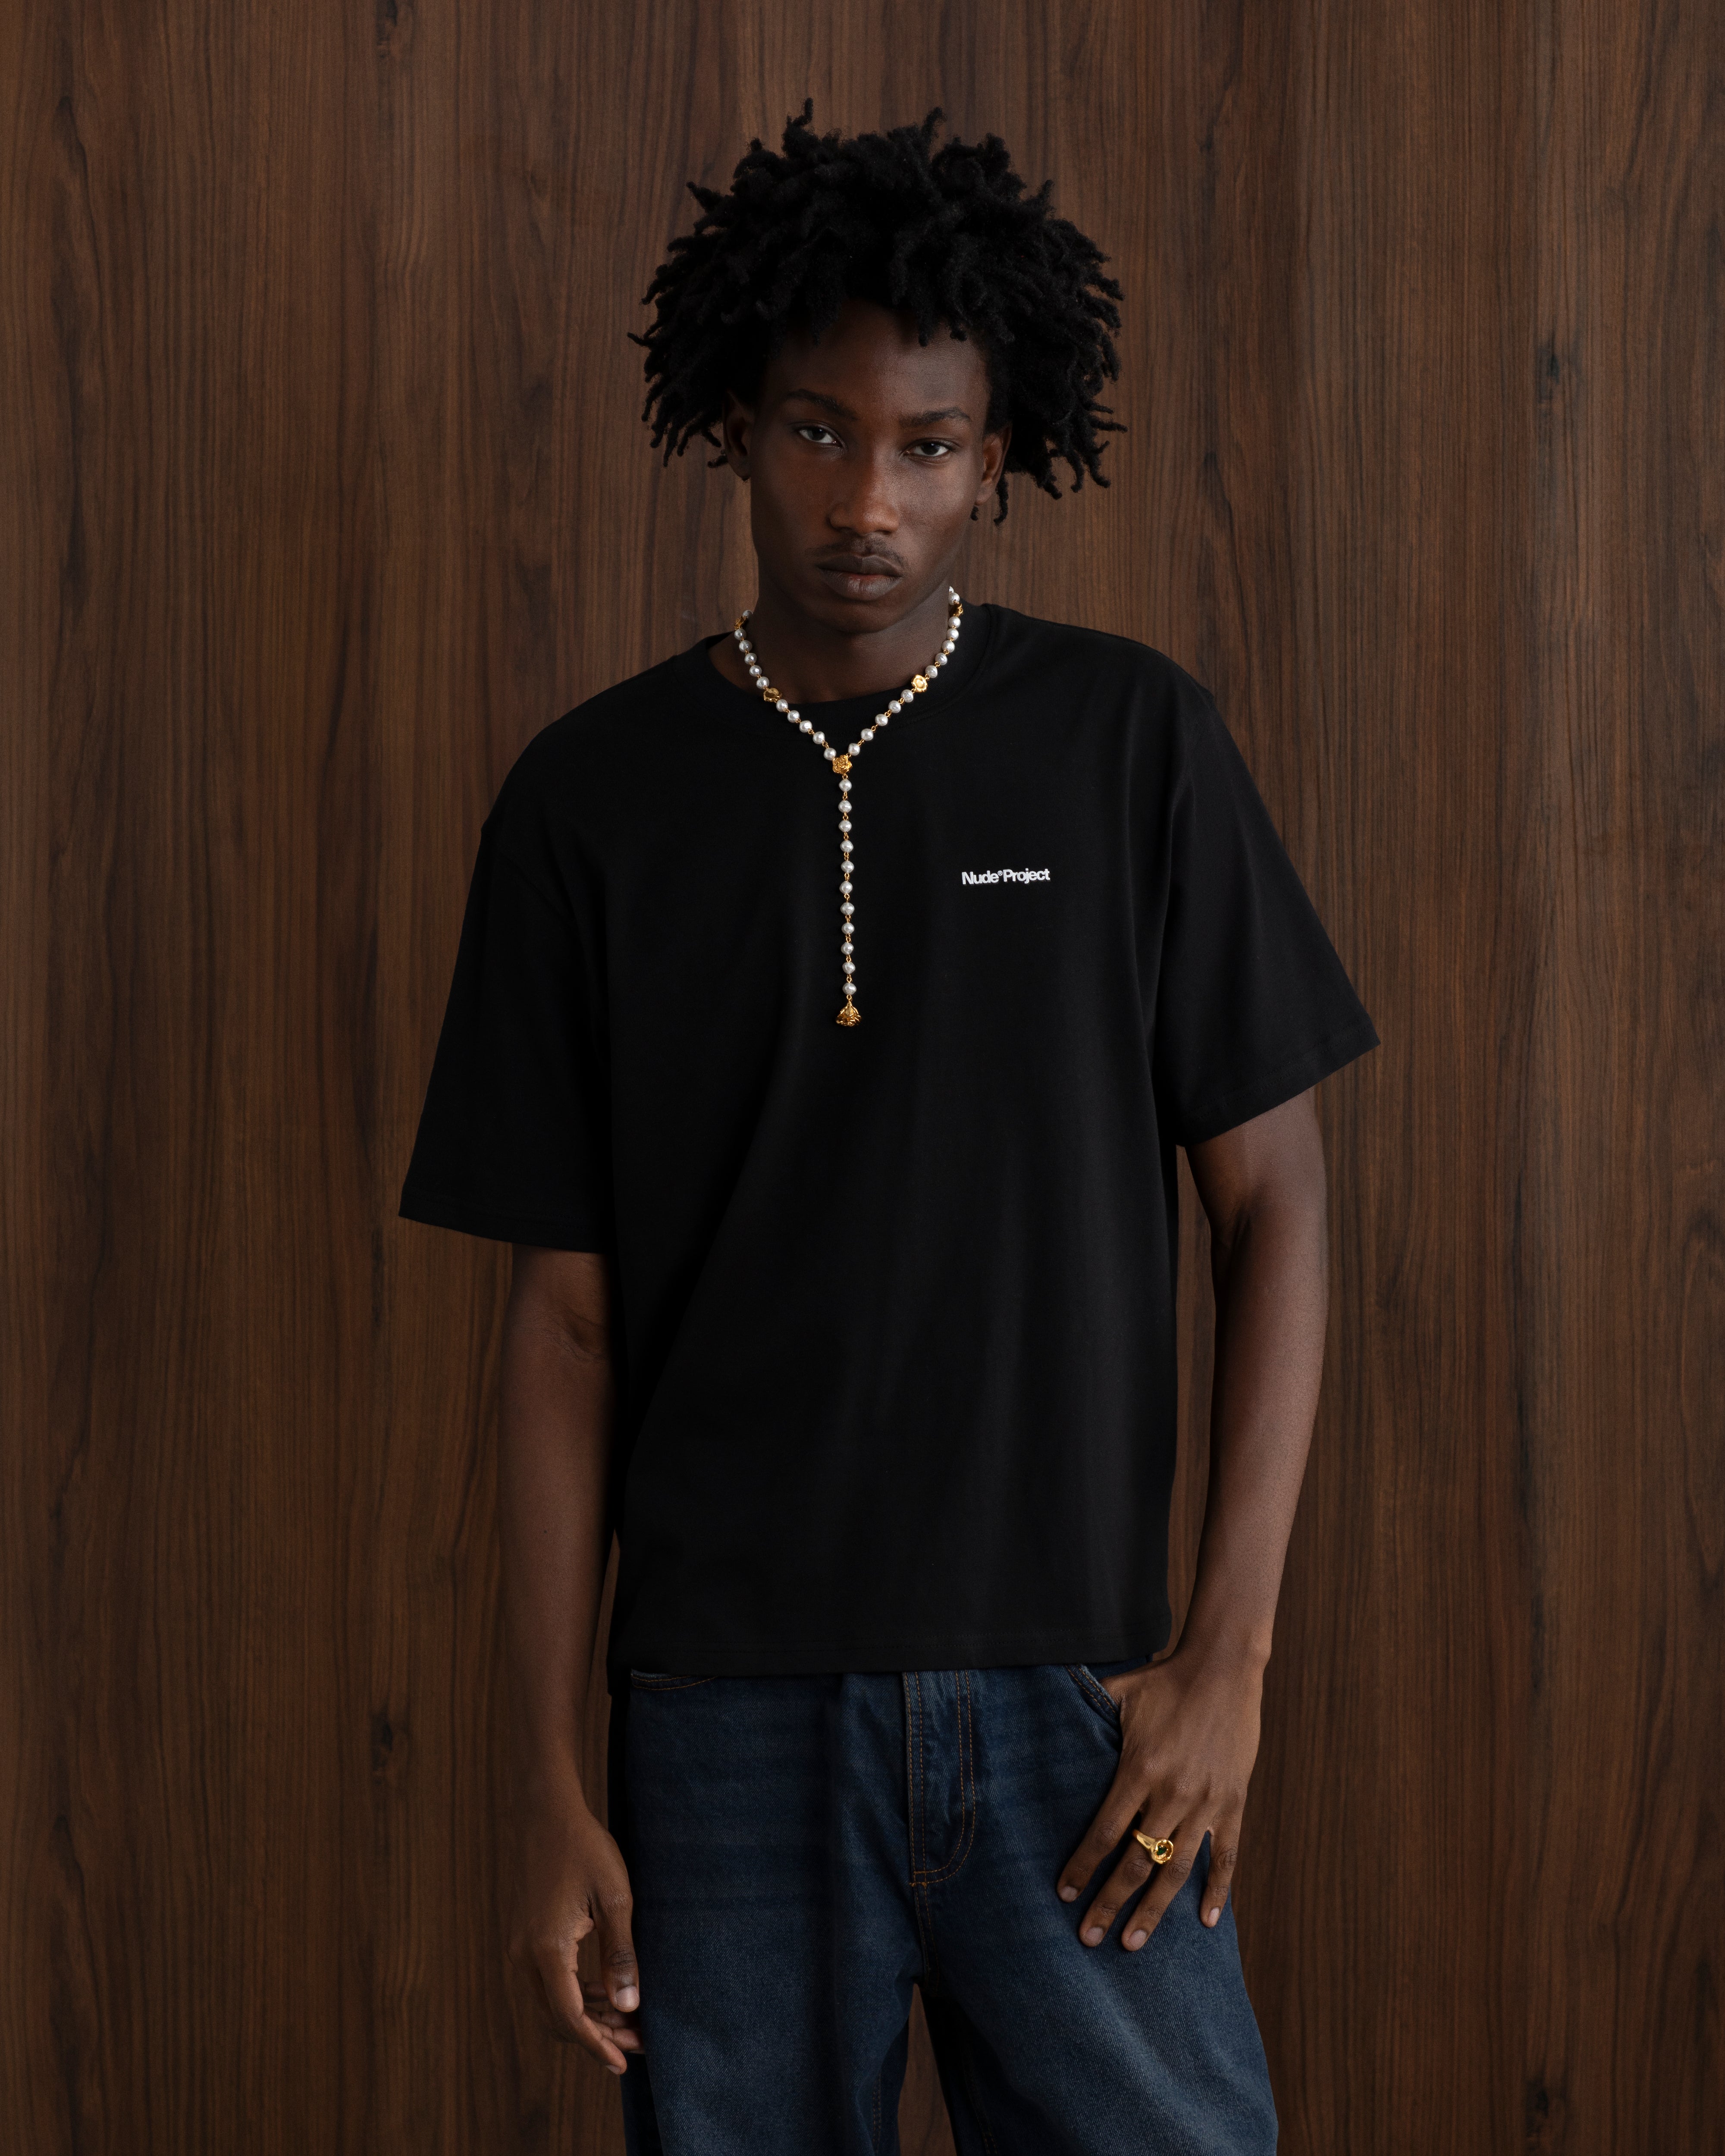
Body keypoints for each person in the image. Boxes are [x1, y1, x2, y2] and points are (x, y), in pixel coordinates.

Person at [400, 104, 1377, 2156]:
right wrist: (550, 1784)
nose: (868, 497)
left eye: (926, 443)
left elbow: (1277, 1199)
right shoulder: (590, 802)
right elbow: (561, 1328)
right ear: (730, 428)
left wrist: (1228, 1652)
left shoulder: (1129, 742)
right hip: (721, 1723)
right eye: (816, 431)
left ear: (997, 454)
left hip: (1077, 1709)